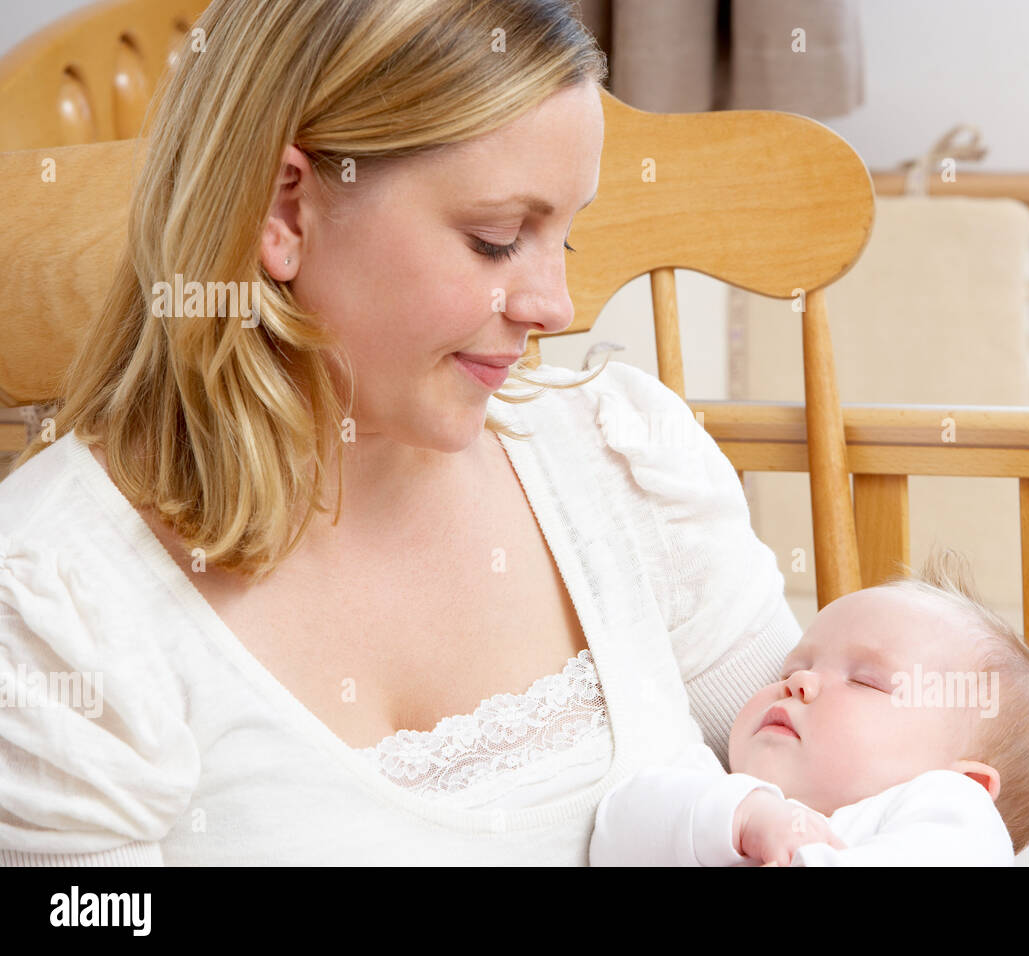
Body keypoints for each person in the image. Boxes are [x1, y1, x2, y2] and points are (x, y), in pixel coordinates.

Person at [0, 0, 800, 865]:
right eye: (495, 240)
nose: (553, 308)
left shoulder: (626, 465)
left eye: (563, 241)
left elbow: (862, 786)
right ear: (286, 211)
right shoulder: (58, 607)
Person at [589, 549, 1029, 866]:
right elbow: (615, 833)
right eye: (789, 671)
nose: (801, 683)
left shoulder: (953, 819)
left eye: (865, 681)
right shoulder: (713, 786)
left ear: (966, 783)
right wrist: (747, 816)